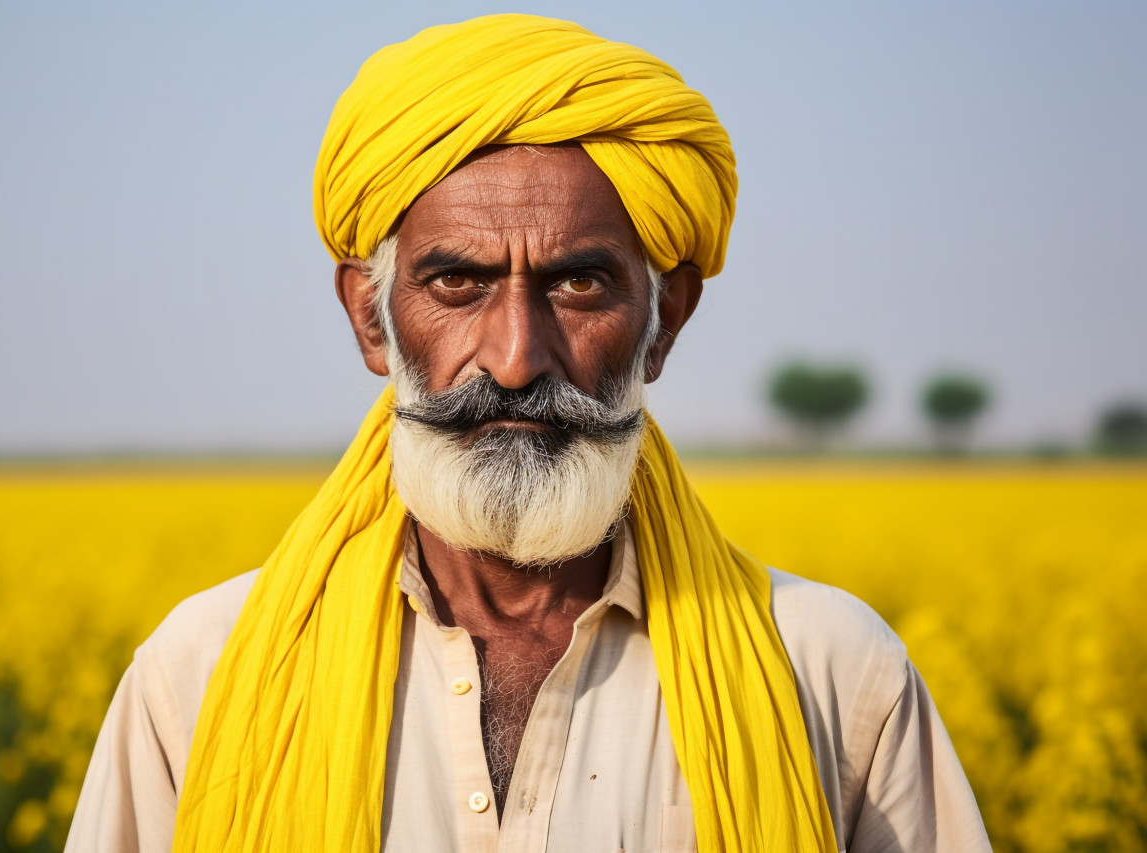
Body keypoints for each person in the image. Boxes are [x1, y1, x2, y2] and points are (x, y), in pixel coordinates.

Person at [66, 14, 990, 853]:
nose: (515, 358)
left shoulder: (833, 675)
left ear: (665, 319)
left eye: (578, 285)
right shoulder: (198, 678)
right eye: (457, 284)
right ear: (371, 319)